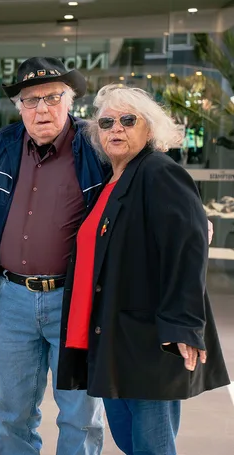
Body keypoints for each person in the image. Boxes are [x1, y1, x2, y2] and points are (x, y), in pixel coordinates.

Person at [57, 85, 230, 455]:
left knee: (151, 446)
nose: (116, 129)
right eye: (106, 123)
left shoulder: (159, 172)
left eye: (127, 120)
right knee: (128, 440)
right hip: (114, 339)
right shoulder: (112, 181)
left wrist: (184, 324)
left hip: (149, 342)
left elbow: (188, 248)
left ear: (149, 129)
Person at [0, 57, 106, 455]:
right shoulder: (2, 145)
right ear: (20, 107)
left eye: (52, 97)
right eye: (31, 100)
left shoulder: (94, 145)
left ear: (70, 100)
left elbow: (141, 179)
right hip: (12, 300)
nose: (42, 108)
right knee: (13, 412)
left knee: (79, 414)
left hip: (75, 301)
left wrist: (187, 215)